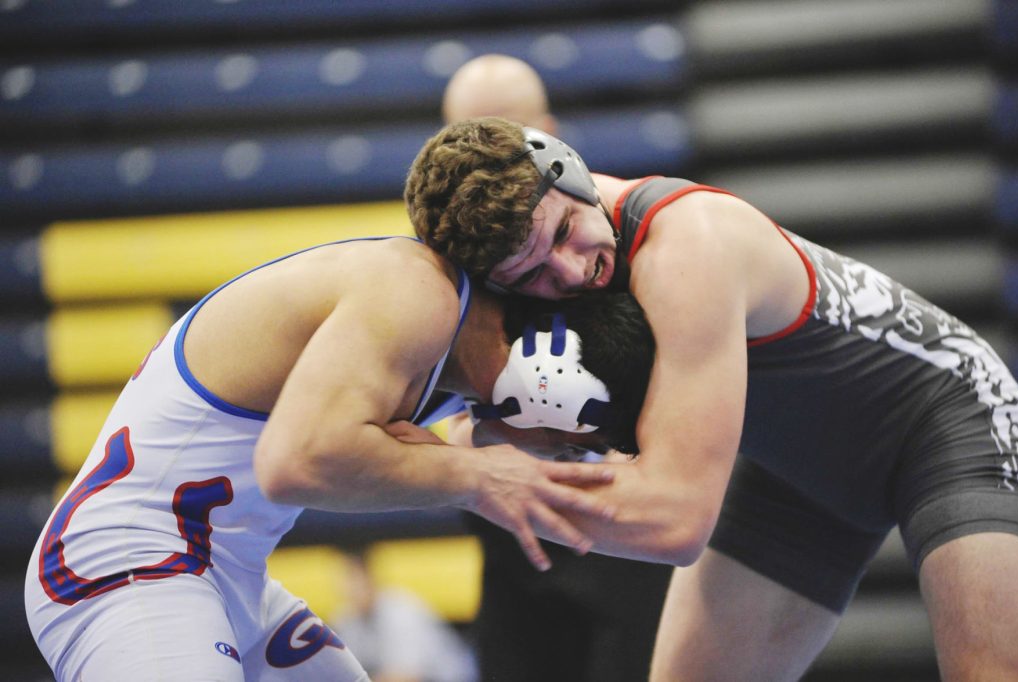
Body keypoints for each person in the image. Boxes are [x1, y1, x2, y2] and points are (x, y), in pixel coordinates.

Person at [404, 117, 1018, 680]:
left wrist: (472, 482)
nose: (570, 273)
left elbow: (676, 520)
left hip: (947, 419)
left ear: (573, 173)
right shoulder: (532, 252)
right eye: (532, 276)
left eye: (566, 232)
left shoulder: (686, 243)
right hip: (791, 473)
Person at [23, 233, 655, 681]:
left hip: (224, 576)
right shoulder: (416, 293)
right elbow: (297, 462)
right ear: (552, 385)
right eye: (570, 442)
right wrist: (474, 476)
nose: (556, 456)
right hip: (132, 563)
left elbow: (429, 455)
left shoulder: (443, 344)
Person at [441, 54, 673, 682]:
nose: (486, 159)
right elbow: (443, 421)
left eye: (506, 137)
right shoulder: (449, 266)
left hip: (626, 538)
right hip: (514, 540)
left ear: (549, 135)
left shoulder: (624, 237)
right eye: (468, 137)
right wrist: (480, 451)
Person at [332, 550, 478, 682]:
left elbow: (407, 677)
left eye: (353, 580)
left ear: (370, 579)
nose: (348, 589)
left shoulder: (401, 612)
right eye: (344, 581)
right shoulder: (347, 618)